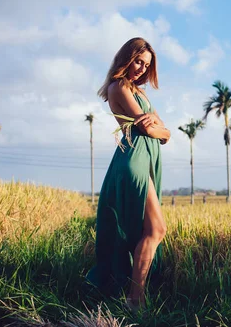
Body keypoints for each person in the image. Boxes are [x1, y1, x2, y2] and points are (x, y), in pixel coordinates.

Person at [86, 37, 171, 311]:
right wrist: (157, 128)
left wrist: (160, 129)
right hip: (133, 158)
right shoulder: (119, 86)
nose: (141, 69)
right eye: (137, 61)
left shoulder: (141, 92)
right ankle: (134, 300)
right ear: (126, 57)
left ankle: (136, 299)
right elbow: (150, 130)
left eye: (146, 65)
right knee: (157, 228)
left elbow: (166, 133)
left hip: (146, 158)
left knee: (149, 229)